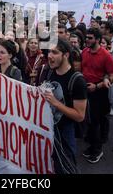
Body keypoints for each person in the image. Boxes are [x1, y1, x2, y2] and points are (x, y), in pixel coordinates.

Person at [40, 39, 88, 174]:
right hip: (48, 128)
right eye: (49, 51)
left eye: (54, 52)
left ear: (66, 55)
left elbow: (79, 116)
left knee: (66, 168)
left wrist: (56, 103)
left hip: (65, 133)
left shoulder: (77, 80)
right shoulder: (49, 72)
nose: (49, 55)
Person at [81, 28, 113, 164]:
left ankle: (97, 150)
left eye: (90, 38)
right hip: (85, 90)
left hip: (99, 91)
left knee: (95, 121)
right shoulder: (85, 51)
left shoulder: (106, 55)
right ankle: (92, 146)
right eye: (86, 38)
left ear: (97, 39)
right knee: (88, 121)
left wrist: (98, 85)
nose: (87, 40)